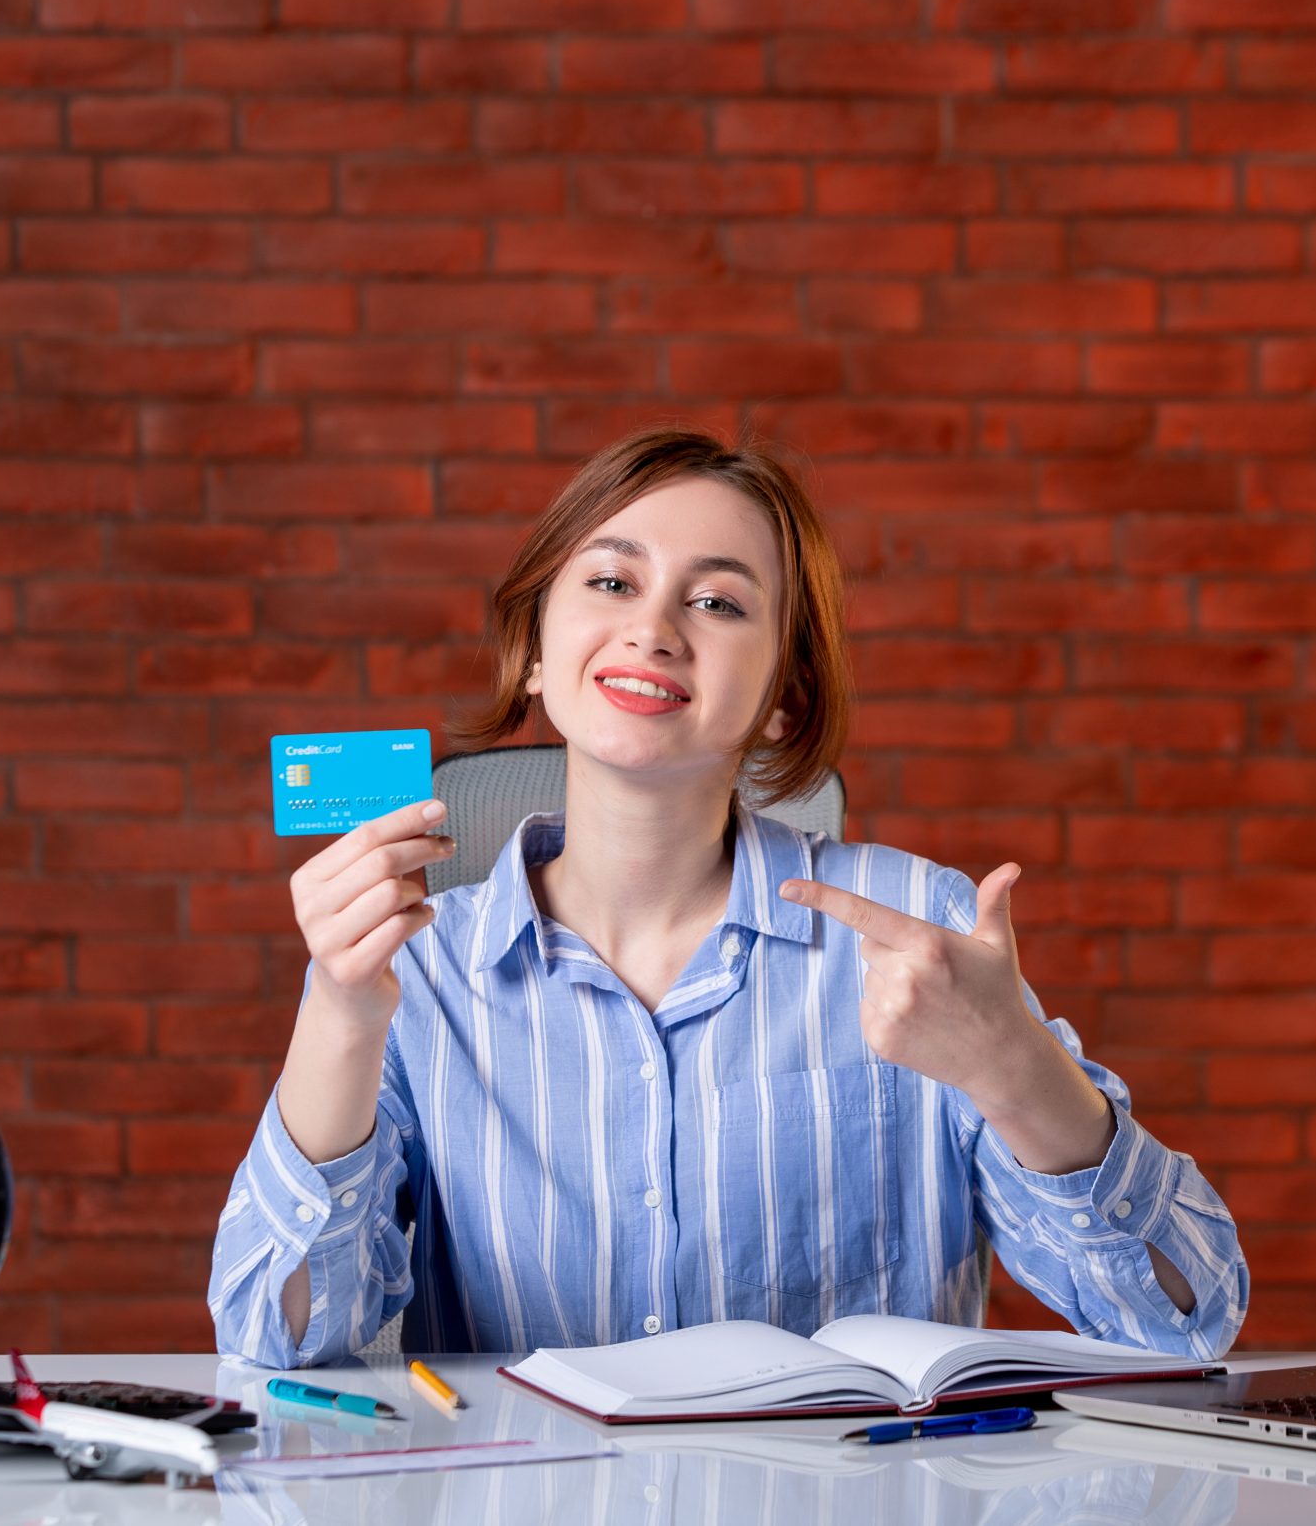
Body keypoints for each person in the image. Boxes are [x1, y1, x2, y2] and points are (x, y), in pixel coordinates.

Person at [209, 427, 1246, 1366]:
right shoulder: (417, 971)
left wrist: (1018, 1072)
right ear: (531, 651)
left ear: (785, 701)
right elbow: (274, 1333)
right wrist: (339, 1015)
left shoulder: (919, 936)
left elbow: (1185, 1317)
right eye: (611, 584)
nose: (654, 629)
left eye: (717, 601)